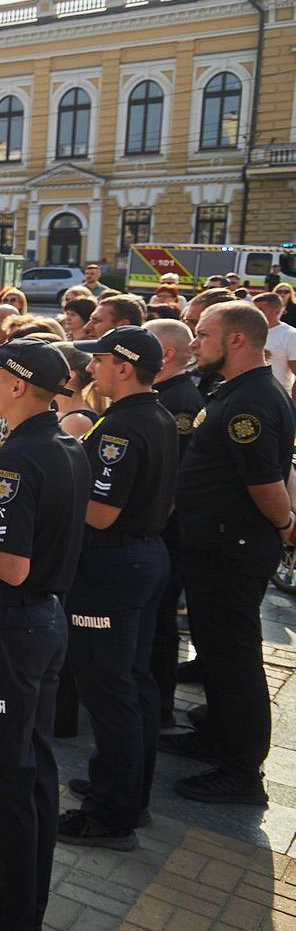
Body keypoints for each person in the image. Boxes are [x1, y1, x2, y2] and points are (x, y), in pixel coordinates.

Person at [0, 340, 91, 931]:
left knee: (5, 781)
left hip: (9, 626)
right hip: (43, 621)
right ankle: (18, 899)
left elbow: (9, 565)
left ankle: (6, 923)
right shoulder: (66, 442)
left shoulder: (17, 458)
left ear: (17, 384)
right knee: (28, 773)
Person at [48, 327, 177, 851]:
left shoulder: (120, 428)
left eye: (99, 360)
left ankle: (111, 812)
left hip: (112, 567)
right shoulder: (159, 415)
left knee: (109, 689)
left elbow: (100, 512)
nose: (91, 369)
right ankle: (127, 789)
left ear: (123, 368)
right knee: (132, 681)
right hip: (144, 558)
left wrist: (54, 495)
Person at [162, 302, 296, 805]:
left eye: (203, 334)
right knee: (217, 651)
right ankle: (217, 735)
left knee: (235, 657)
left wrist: (285, 525)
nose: (195, 343)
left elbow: (265, 481)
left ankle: (242, 771)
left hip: (231, 547)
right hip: (214, 543)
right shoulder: (236, 390)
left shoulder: (250, 402)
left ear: (237, 340)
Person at [143, 318, 204, 729]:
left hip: (164, 536)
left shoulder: (177, 401)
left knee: (160, 628)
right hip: (159, 536)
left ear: (163, 355)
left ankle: (158, 707)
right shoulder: (166, 396)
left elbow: (174, 482)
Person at [251, 291, 296, 398]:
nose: (255, 314)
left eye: (260, 310)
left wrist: (292, 406)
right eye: (253, 310)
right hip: (249, 396)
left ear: (276, 311)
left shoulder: (290, 335)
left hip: (277, 399)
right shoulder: (248, 332)